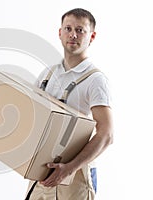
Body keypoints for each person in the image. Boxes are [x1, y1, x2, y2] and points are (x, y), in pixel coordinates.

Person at [26, 8, 114, 199]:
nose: (73, 34)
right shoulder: (48, 75)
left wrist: (69, 168)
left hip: (75, 175)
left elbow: (106, 134)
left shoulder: (95, 80)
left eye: (80, 30)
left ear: (92, 36)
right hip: (41, 174)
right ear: (60, 33)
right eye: (68, 28)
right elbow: (32, 117)